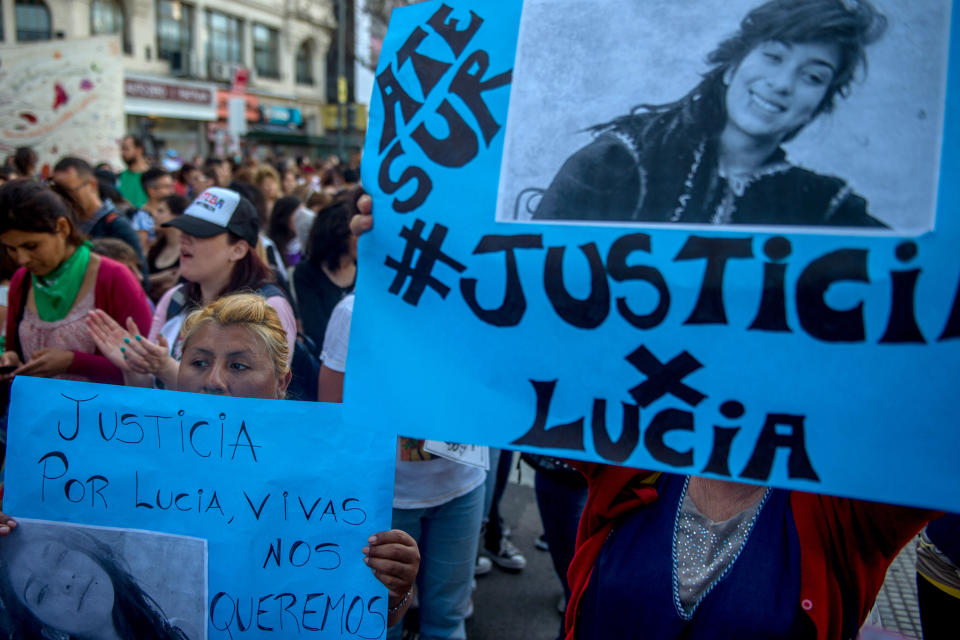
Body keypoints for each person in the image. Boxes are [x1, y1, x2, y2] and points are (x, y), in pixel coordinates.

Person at [0, 294, 420, 636]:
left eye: (238, 365)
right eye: (198, 362)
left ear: (282, 382)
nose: (214, 380)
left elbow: (354, 612)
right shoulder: (119, 466)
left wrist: (395, 588)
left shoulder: (330, 476)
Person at [529, 0, 887, 227]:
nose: (782, 84)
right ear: (731, 68)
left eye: (812, 77)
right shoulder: (621, 161)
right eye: (773, 56)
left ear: (819, 104)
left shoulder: (820, 206)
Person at [84, 187, 296, 390]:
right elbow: (149, 394)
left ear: (238, 249)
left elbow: (258, 398)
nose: (184, 238)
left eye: (201, 232)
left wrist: (165, 368)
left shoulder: (269, 306)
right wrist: (134, 366)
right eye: (185, 229)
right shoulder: (174, 298)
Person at [0, 180, 152, 385]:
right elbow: (13, 349)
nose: (21, 259)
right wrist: (10, 360)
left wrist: (74, 362)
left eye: (31, 246)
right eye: (11, 249)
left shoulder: (113, 278)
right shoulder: (22, 280)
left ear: (62, 227)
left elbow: (148, 366)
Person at [0, 523, 190, 639]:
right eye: (41, 592)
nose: (66, 579)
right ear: (49, 631)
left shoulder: (182, 631)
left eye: (60, 556)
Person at [51, 157, 149, 284]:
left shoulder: (116, 225)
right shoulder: (64, 224)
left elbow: (142, 279)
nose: (63, 198)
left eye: (68, 191)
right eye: (57, 191)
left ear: (92, 185)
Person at [294, 193, 357, 351]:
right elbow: (316, 331)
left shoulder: (367, 270)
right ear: (338, 234)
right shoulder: (306, 273)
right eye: (356, 233)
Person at [146, 194, 187, 302]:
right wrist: (159, 278)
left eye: (160, 211)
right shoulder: (155, 247)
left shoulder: (190, 251)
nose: (154, 215)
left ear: (177, 216)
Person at [131, 168, 174, 254]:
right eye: (166, 187)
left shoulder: (171, 211)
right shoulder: (142, 216)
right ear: (151, 191)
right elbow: (142, 249)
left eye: (171, 186)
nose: (172, 191)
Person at [118, 135, 150, 209]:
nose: (123, 153)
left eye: (126, 149)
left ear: (139, 150)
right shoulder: (119, 177)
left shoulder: (154, 176)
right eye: (122, 149)